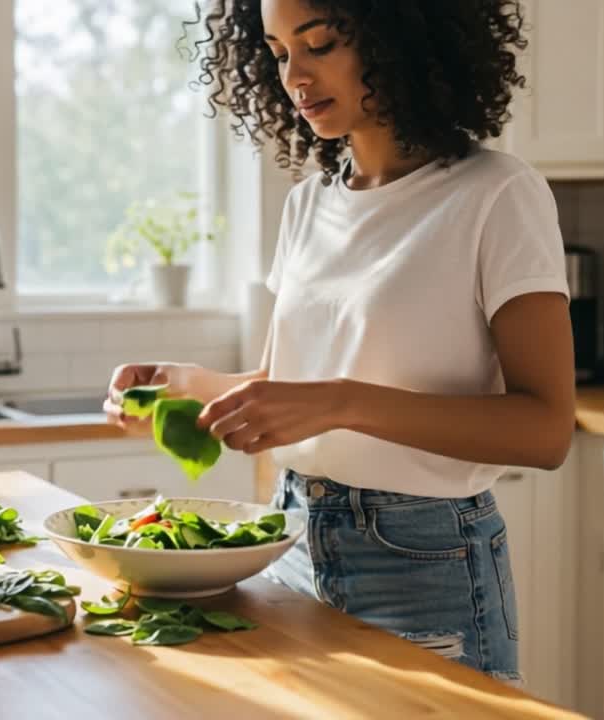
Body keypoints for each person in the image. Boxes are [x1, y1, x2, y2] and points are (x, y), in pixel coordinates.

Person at [103, 0, 575, 684]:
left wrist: (342, 402)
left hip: (424, 561)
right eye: (278, 52)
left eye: (319, 43)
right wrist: (180, 383)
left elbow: (546, 430)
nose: (295, 74)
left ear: (398, 37)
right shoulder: (308, 204)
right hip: (291, 538)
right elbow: (287, 382)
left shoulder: (497, 193)